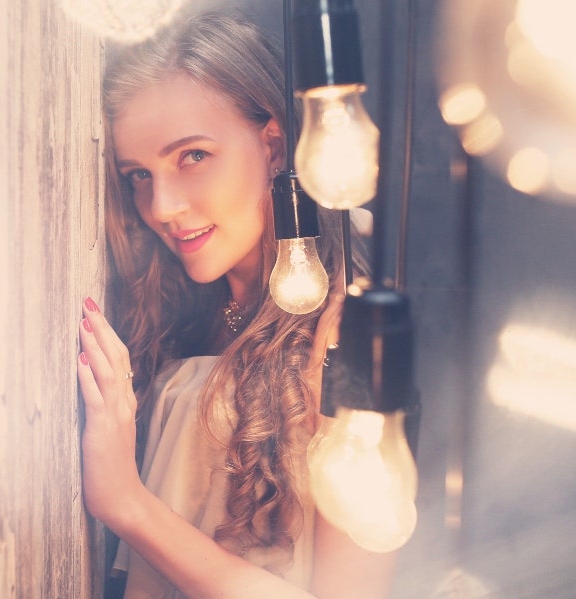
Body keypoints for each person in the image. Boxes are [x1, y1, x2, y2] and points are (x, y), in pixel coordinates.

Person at [75, 10, 396, 599]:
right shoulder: (186, 320)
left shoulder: (346, 331)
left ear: (273, 145)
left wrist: (127, 504)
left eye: (192, 156)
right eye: (138, 175)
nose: (163, 206)